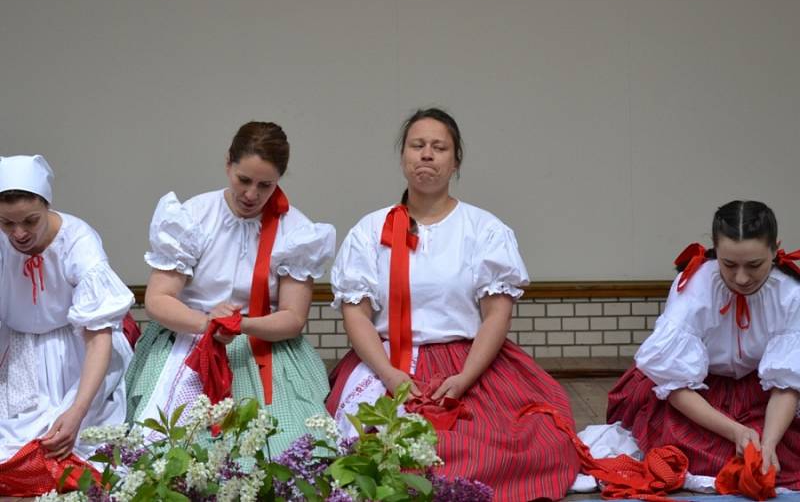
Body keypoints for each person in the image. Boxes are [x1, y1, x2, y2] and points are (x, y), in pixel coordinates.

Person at [325, 108, 580, 501]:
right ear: (403, 157)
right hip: (386, 361)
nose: (427, 154)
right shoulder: (370, 230)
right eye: (417, 145)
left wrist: (464, 379)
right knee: (373, 451)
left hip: (466, 362)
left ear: (455, 160)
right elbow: (356, 315)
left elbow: (497, 314)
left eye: (439, 147)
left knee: (525, 444)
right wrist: (391, 377)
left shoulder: (484, 229)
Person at [125, 122, 335, 455]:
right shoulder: (194, 216)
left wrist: (241, 325)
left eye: (265, 185)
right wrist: (209, 323)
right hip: (189, 340)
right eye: (244, 180)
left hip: (262, 346)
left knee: (283, 451)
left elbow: (293, 318)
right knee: (172, 450)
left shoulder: (296, 231)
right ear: (228, 165)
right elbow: (158, 299)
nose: (252, 194)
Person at [607, 200, 800, 488]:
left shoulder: (790, 293)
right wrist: (735, 432)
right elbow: (674, 384)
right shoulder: (695, 283)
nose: (741, 278)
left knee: (766, 455)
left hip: (762, 394)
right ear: (715, 250)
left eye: (755, 265)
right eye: (729, 264)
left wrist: (770, 442)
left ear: (775, 250)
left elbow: (787, 383)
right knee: (703, 454)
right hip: (697, 393)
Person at [0, 155, 134, 496]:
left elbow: (98, 337)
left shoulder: (78, 242)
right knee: (16, 458)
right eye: (6, 223)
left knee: (78, 453)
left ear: (47, 206)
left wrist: (77, 410)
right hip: (20, 356)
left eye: (30, 221)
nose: (18, 233)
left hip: (78, 355)